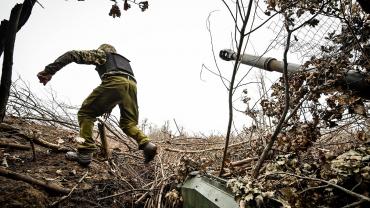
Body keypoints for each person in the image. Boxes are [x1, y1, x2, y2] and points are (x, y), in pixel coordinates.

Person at [37, 44, 157, 166]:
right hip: (131, 85)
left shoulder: (103, 54)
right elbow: (121, 87)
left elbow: (71, 55)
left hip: (115, 82)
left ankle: (85, 152)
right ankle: (147, 144)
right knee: (128, 123)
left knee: (85, 114)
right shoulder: (123, 62)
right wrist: (108, 106)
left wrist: (49, 71)